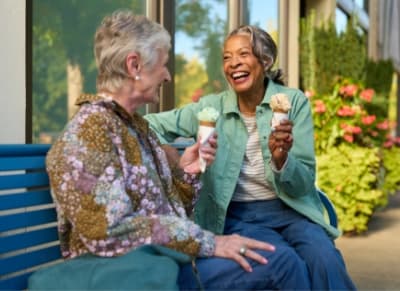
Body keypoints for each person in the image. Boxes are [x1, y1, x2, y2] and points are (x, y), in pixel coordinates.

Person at [43, 10, 280, 290]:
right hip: (131, 274)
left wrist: (187, 173)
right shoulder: (87, 135)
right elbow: (108, 231)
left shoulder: (136, 127)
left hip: (169, 262)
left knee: (279, 258)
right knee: (279, 263)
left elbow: (170, 210)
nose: (167, 76)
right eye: (162, 64)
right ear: (135, 66)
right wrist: (210, 242)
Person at [145, 25, 356, 290]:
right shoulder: (211, 107)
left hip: (292, 209)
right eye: (226, 57)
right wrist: (172, 159)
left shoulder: (293, 102)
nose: (233, 63)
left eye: (243, 54)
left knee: (324, 259)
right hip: (240, 215)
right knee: (286, 263)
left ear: (265, 61)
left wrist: (282, 161)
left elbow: (303, 183)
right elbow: (148, 123)